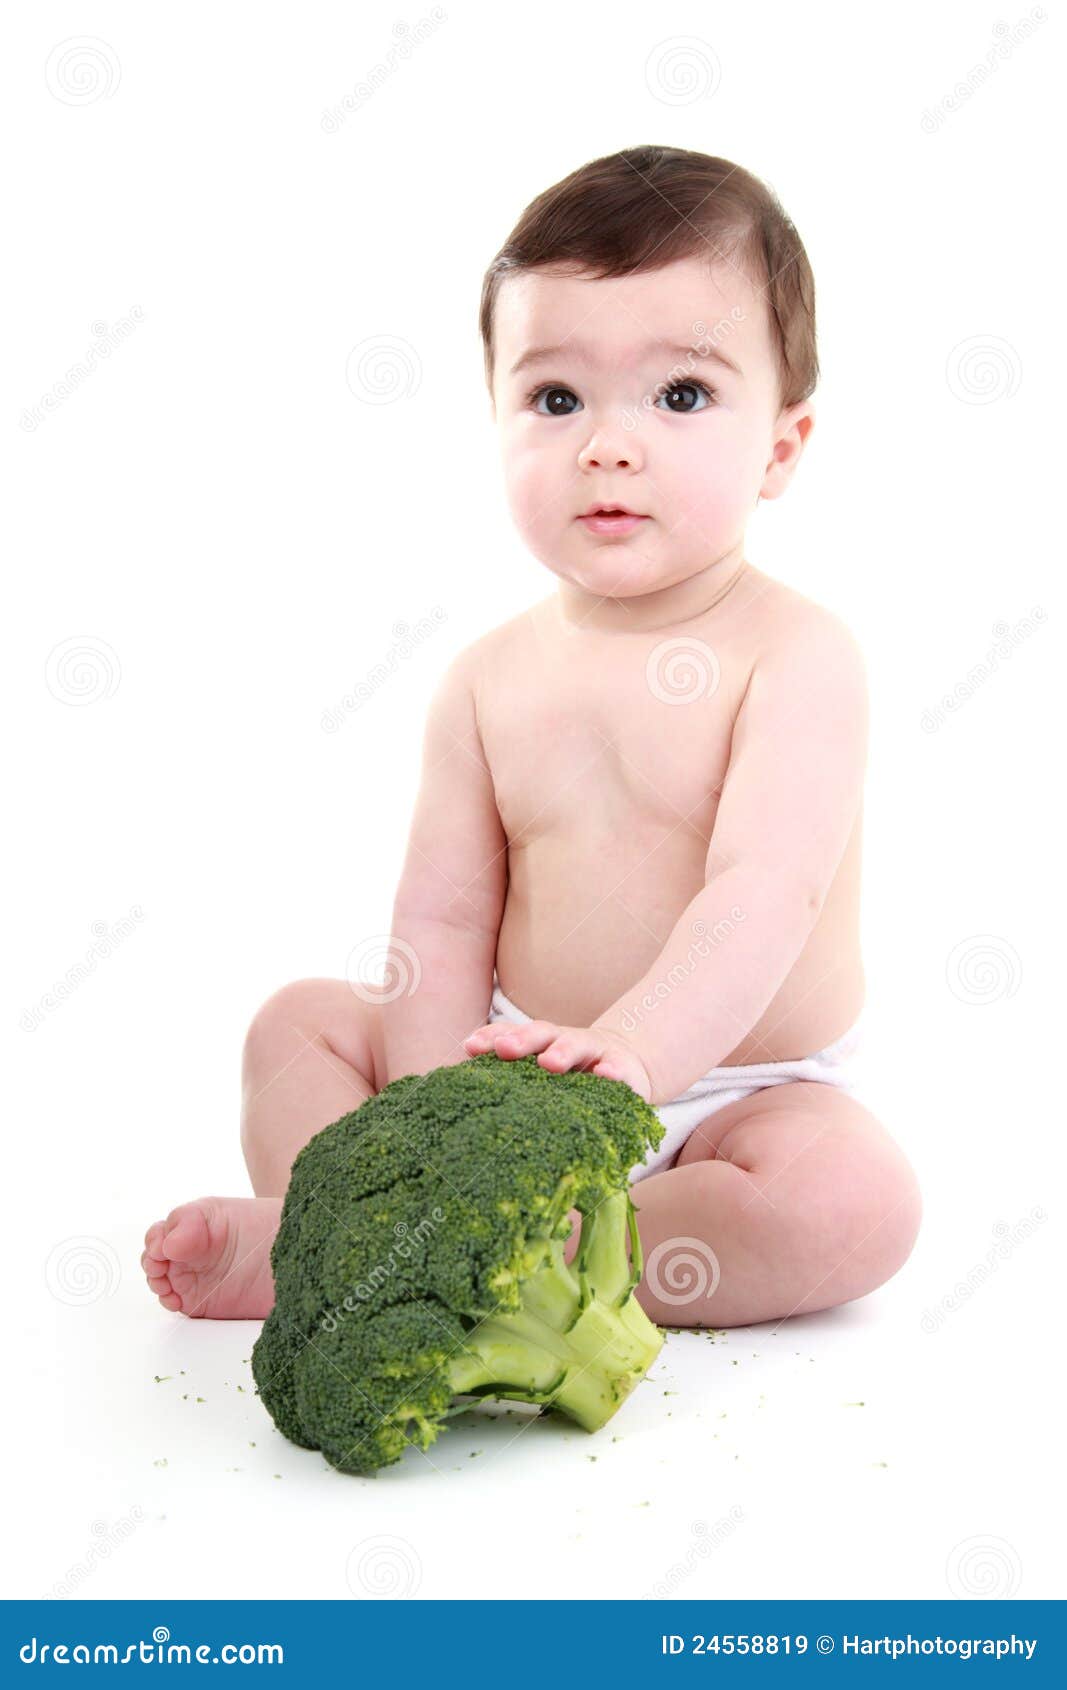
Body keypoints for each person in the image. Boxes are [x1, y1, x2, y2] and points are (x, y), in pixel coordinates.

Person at [143, 144, 921, 1331]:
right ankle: (356, 1222)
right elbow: (441, 921)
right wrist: (435, 1117)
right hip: (507, 1063)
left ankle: (512, 1254)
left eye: (679, 395)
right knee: (296, 1025)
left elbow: (765, 891)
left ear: (780, 447)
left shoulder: (796, 655)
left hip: (729, 1097)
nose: (607, 444)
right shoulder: (485, 679)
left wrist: (634, 1052)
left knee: (852, 1199)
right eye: (556, 399)